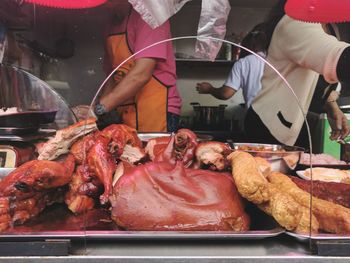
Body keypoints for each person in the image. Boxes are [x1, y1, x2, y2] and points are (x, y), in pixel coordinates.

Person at [244, 0, 350, 147]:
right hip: (271, 125)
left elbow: (317, 76)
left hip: (299, 124)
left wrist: (331, 107)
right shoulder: (296, 21)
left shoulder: (329, 27)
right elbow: (340, 61)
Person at [94, 0, 182, 132]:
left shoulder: (150, 15)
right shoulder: (111, 24)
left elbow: (141, 74)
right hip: (127, 112)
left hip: (157, 109)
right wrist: (97, 113)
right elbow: (112, 76)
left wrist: (100, 108)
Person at [195, 26, 268, 109]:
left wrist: (210, 89)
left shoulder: (244, 63)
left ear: (253, 41)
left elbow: (225, 93)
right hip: (278, 118)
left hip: (255, 116)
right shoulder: (278, 61)